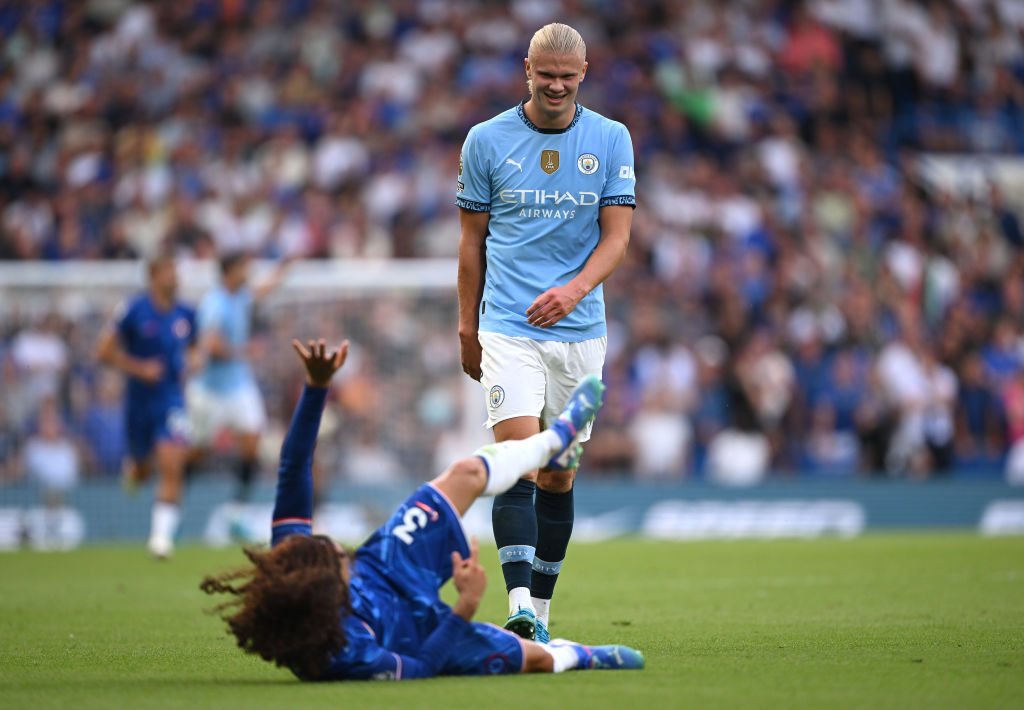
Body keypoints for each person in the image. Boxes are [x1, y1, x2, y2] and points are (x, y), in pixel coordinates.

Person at [200, 338, 643, 680]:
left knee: (464, 474)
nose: (341, 551)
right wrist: (463, 608)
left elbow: (293, 465)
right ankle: (580, 655)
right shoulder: (350, 655)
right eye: (339, 561)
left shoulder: (293, 563)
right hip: (418, 631)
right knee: (526, 658)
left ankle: (555, 437)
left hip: (388, 562)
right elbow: (420, 669)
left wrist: (316, 389)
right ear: (329, 595)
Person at [456, 22, 635, 641]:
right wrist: (466, 327)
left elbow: (617, 238)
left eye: (568, 76)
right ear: (525, 69)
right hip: (507, 325)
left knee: (559, 473)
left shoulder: (611, 139)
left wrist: (575, 290)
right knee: (517, 462)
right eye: (546, 74)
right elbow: (470, 245)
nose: (556, 85)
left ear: (584, 73)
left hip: (581, 330)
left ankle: (545, 613)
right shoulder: (485, 140)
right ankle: (521, 604)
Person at [96, 254, 197, 558]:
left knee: (172, 462)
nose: (176, 277)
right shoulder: (133, 310)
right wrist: (140, 369)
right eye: (170, 271)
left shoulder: (187, 313)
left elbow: (195, 349)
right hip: (138, 402)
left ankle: (160, 538)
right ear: (154, 275)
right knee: (142, 468)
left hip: (171, 400)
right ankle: (134, 470)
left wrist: (195, 361)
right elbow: (103, 351)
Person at [187, 252, 291, 508]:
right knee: (198, 452)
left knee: (252, 443)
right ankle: (174, 503)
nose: (247, 273)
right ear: (229, 273)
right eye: (243, 268)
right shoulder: (215, 304)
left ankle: (238, 509)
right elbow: (210, 345)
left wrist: (285, 266)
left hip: (239, 385)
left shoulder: (240, 297)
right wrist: (244, 350)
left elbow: (262, 290)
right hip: (209, 390)